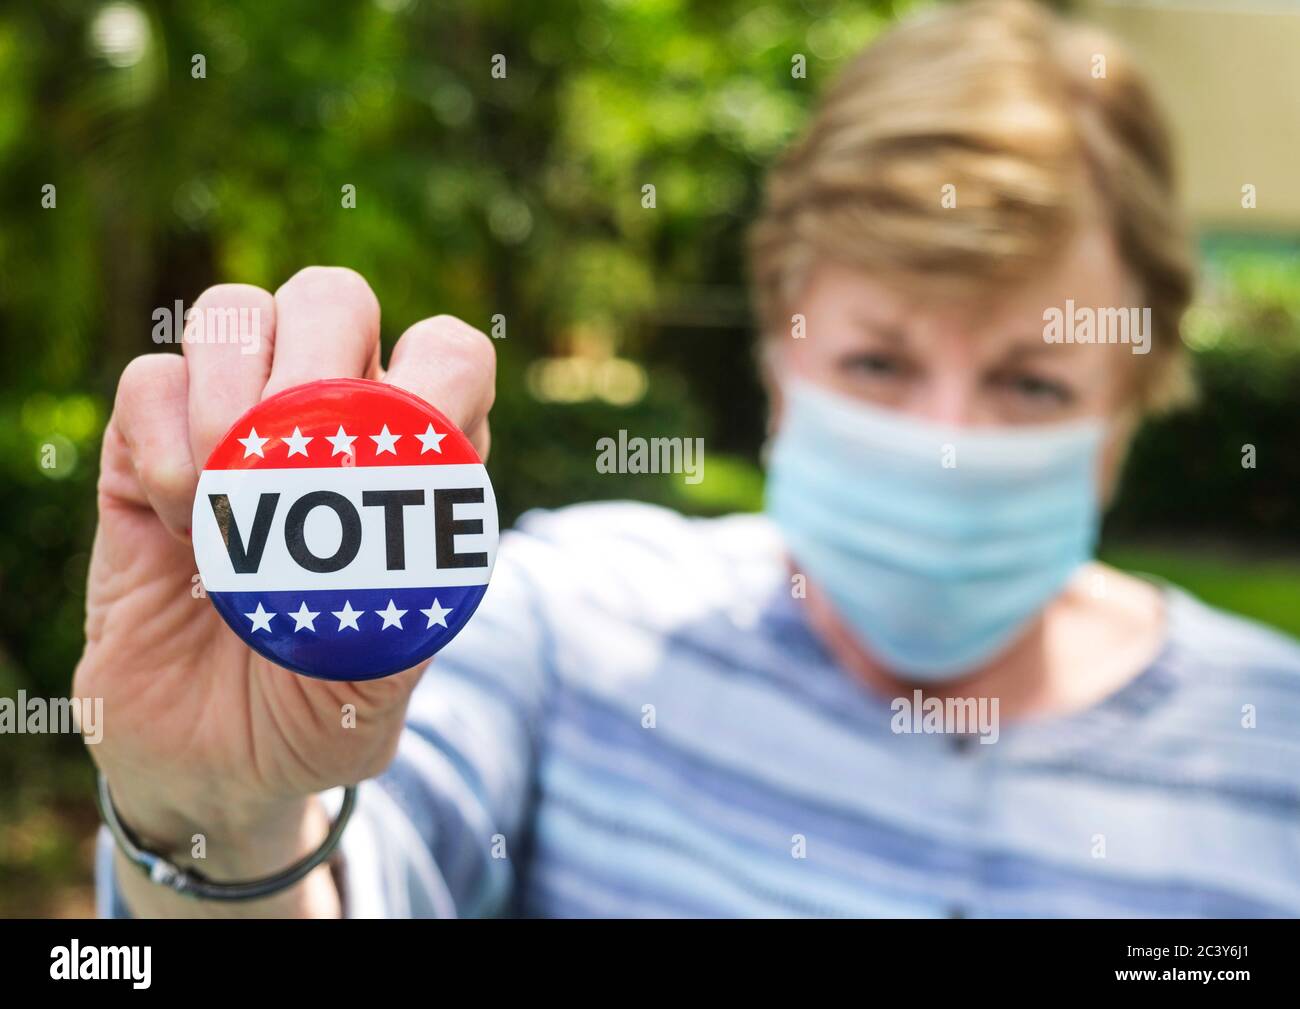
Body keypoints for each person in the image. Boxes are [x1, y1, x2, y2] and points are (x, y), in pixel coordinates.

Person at [81, 0, 1300, 918]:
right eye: (877, 363)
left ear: (1135, 393)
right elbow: (364, 878)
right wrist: (222, 824)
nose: (945, 445)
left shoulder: (1274, 749)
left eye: (1031, 380)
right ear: (777, 348)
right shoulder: (572, 617)